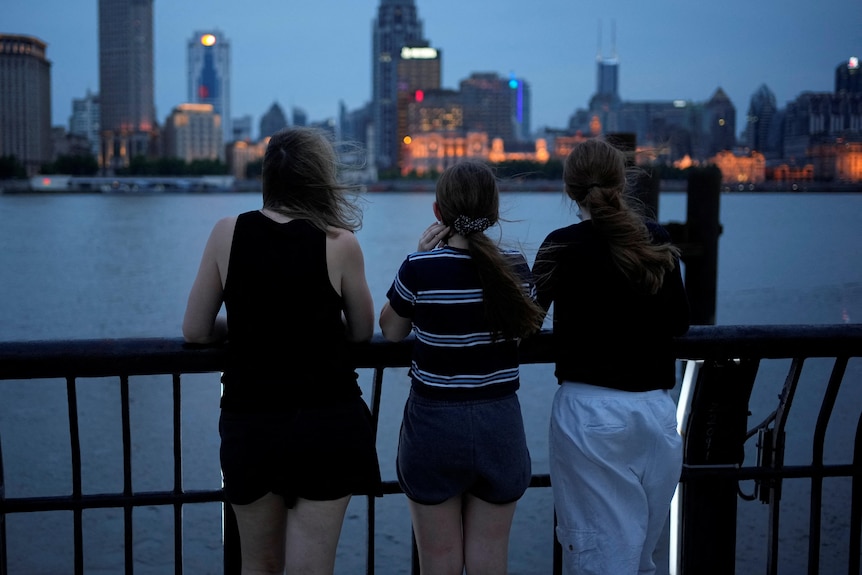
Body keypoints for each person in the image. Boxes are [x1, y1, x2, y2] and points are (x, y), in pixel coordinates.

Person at [182, 126, 382, 575]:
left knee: (258, 564)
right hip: (327, 422)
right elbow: (362, 332)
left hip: (251, 422)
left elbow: (194, 331)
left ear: (267, 177)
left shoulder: (226, 233)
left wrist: (253, 325)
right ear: (319, 179)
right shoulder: (339, 242)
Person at [531, 138, 691, 575]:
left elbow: (526, 324)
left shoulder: (560, 246)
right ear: (622, 182)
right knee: (641, 557)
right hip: (655, 414)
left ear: (570, 190)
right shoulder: (655, 238)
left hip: (591, 418)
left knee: (600, 559)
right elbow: (679, 321)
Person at [379, 160, 544, 575]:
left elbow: (392, 331)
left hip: (434, 426)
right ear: (493, 209)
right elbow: (526, 331)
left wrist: (422, 253)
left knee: (438, 563)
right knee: (490, 560)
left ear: (437, 212)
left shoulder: (420, 266)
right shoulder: (517, 269)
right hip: (499, 423)